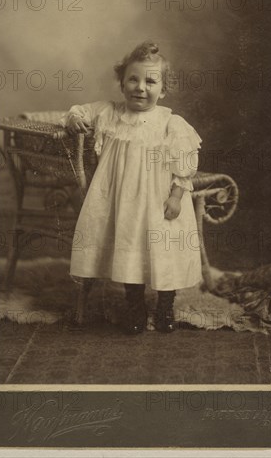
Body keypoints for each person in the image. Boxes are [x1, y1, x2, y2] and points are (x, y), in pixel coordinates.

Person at [60, 41, 202, 334]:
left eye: (150, 81)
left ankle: (165, 306)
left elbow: (184, 165)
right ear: (121, 83)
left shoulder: (171, 123)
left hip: (159, 203)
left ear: (163, 89)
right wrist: (75, 120)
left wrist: (176, 197)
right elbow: (78, 111)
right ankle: (135, 306)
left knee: (164, 251)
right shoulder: (110, 113)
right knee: (129, 252)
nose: (140, 87)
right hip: (121, 202)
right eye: (133, 79)